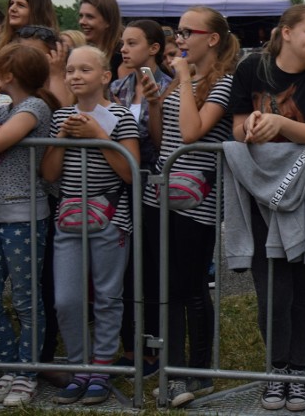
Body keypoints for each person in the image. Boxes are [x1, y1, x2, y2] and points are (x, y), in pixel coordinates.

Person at [228, 4, 305, 412]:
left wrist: (279, 125)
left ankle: (300, 371)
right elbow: (238, 126)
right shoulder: (251, 68)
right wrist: (253, 127)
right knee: (272, 291)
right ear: (287, 32)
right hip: (263, 196)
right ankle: (276, 370)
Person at [142, 6, 239, 408]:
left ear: (211, 39)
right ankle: (173, 370)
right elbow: (163, 137)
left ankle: (196, 374)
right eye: (176, 31)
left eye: (185, 31)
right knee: (164, 286)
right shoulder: (186, 80)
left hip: (196, 200)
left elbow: (191, 133)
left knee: (190, 285)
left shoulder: (223, 83)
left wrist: (181, 81)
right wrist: (153, 104)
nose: (178, 38)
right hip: (160, 194)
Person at [41, 45, 140, 406]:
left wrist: (99, 135)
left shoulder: (122, 116)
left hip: (110, 216)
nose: (75, 76)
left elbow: (130, 172)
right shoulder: (60, 117)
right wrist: (64, 138)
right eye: (70, 70)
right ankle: (78, 364)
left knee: (108, 296)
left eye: (85, 69)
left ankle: (102, 367)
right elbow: (50, 174)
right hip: (68, 216)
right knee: (66, 299)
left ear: (105, 76)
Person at [0, 44, 59, 406]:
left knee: (25, 300)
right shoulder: (6, 106)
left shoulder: (34, 107)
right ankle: (8, 366)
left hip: (23, 216)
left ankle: (26, 373)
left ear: (8, 75)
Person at [109, 20, 173, 378]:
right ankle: (130, 346)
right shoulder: (117, 85)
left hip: (151, 185)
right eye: (122, 43)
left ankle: (153, 349)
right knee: (125, 269)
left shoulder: (167, 87)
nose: (124, 49)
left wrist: (155, 105)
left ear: (153, 48)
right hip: (119, 185)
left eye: (132, 43)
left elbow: (162, 144)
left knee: (150, 266)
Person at [78, 0, 123, 77]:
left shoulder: (122, 56)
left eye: (90, 17)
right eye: (81, 16)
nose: (82, 22)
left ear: (108, 21)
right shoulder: (83, 53)